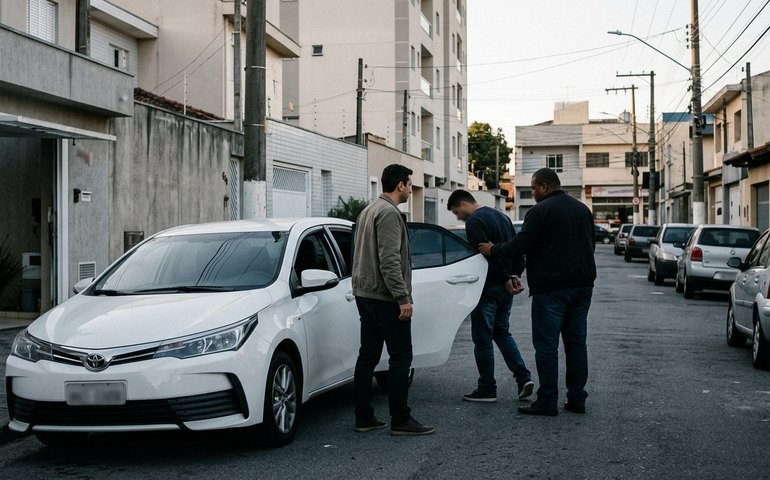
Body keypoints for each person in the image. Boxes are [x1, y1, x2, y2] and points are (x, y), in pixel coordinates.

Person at [479, 168, 596, 416]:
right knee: (576, 345)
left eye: (533, 188)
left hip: (551, 289)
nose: (531, 193)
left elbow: (520, 245)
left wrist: (493, 250)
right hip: (583, 287)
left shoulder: (540, 211)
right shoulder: (582, 209)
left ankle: (547, 400)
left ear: (544, 186)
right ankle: (577, 399)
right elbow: (590, 245)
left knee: (546, 346)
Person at [351, 164, 435, 436]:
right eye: (410, 185)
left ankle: (364, 417)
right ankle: (401, 419)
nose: (411, 189)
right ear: (400, 185)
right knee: (401, 358)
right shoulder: (388, 213)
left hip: (366, 294)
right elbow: (389, 261)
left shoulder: (369, 209)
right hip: (385, 297)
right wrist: (403, 298)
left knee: (368, 357)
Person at [446, 190, 534, 403]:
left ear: (463, 203)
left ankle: (487, 388)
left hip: (488, 287)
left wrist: (505, 276)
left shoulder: (474, 221)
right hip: (507, 288)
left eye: (457, 212)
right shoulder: (502, 217)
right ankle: (523, 378)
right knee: (502, 333)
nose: (459, 217)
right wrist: (516, 275)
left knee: (483, 338)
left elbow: (485, 256)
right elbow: (517, 249)